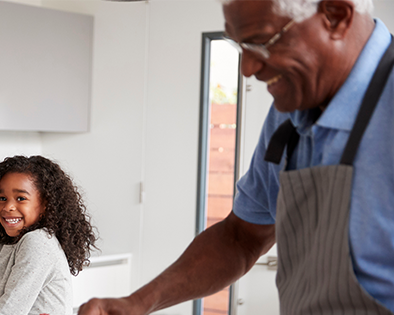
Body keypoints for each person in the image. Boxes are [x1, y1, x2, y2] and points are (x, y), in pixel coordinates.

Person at [79, 0, 394, 314]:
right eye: (240, 45)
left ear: (336, 16)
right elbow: (241, 236)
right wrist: (138, 303)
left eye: (261, 42)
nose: (248, 69)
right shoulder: (289, 113)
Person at [0, 156, 98, 315]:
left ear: (45, 205)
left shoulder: (38, 242)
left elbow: (10, 310)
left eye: (20, 198)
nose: (8, 206)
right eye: (2, 198)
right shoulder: (4, 246)